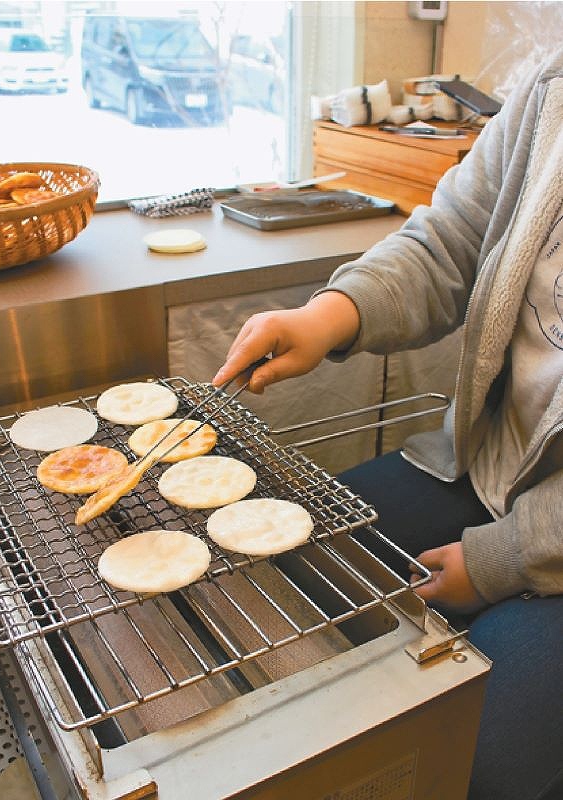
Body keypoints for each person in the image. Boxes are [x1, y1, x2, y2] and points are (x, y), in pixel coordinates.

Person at [213, 48, 563, 800]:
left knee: (475, 750)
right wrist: (329, 315)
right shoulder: (553, 86)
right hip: (488, 464)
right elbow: (450, 239)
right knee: (293, 563)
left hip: (549, 534)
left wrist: (501, 561)